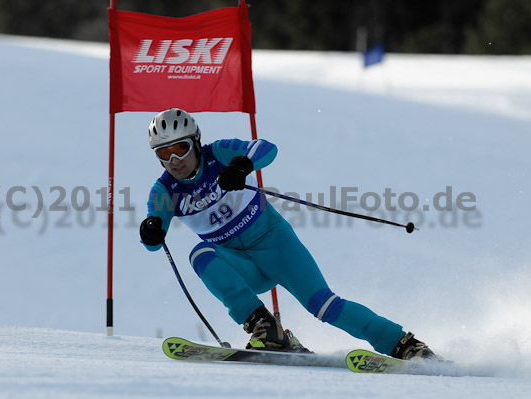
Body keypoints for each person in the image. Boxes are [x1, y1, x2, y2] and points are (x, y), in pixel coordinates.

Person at [139, 108, 436, 360]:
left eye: (181, 148)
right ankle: (266, 329)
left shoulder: (217, 153)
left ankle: (404, 344)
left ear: (195, 143)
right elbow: (154, 233)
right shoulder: (165, 190)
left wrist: (242, 165)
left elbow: (266, 149)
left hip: (275, 245)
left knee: (323, 306)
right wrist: (150, 231)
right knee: (199, 254)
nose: (174, 160)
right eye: (164, 153)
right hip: (240, 265)